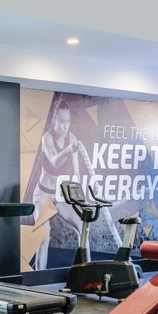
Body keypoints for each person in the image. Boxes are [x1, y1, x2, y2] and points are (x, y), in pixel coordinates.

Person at [26, 94, 117, 270]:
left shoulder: (72, 138)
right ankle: (39, 274)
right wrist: (68, 149)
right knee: (44, 234)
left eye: (67, 122)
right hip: (43, 195)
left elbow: (75, 172)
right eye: (62, 122)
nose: (65, 126)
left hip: (60, 196)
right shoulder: (47, 138)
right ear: (54, 121)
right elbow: (54, 161)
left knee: (83, 226)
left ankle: (86, 269)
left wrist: (82, 195)